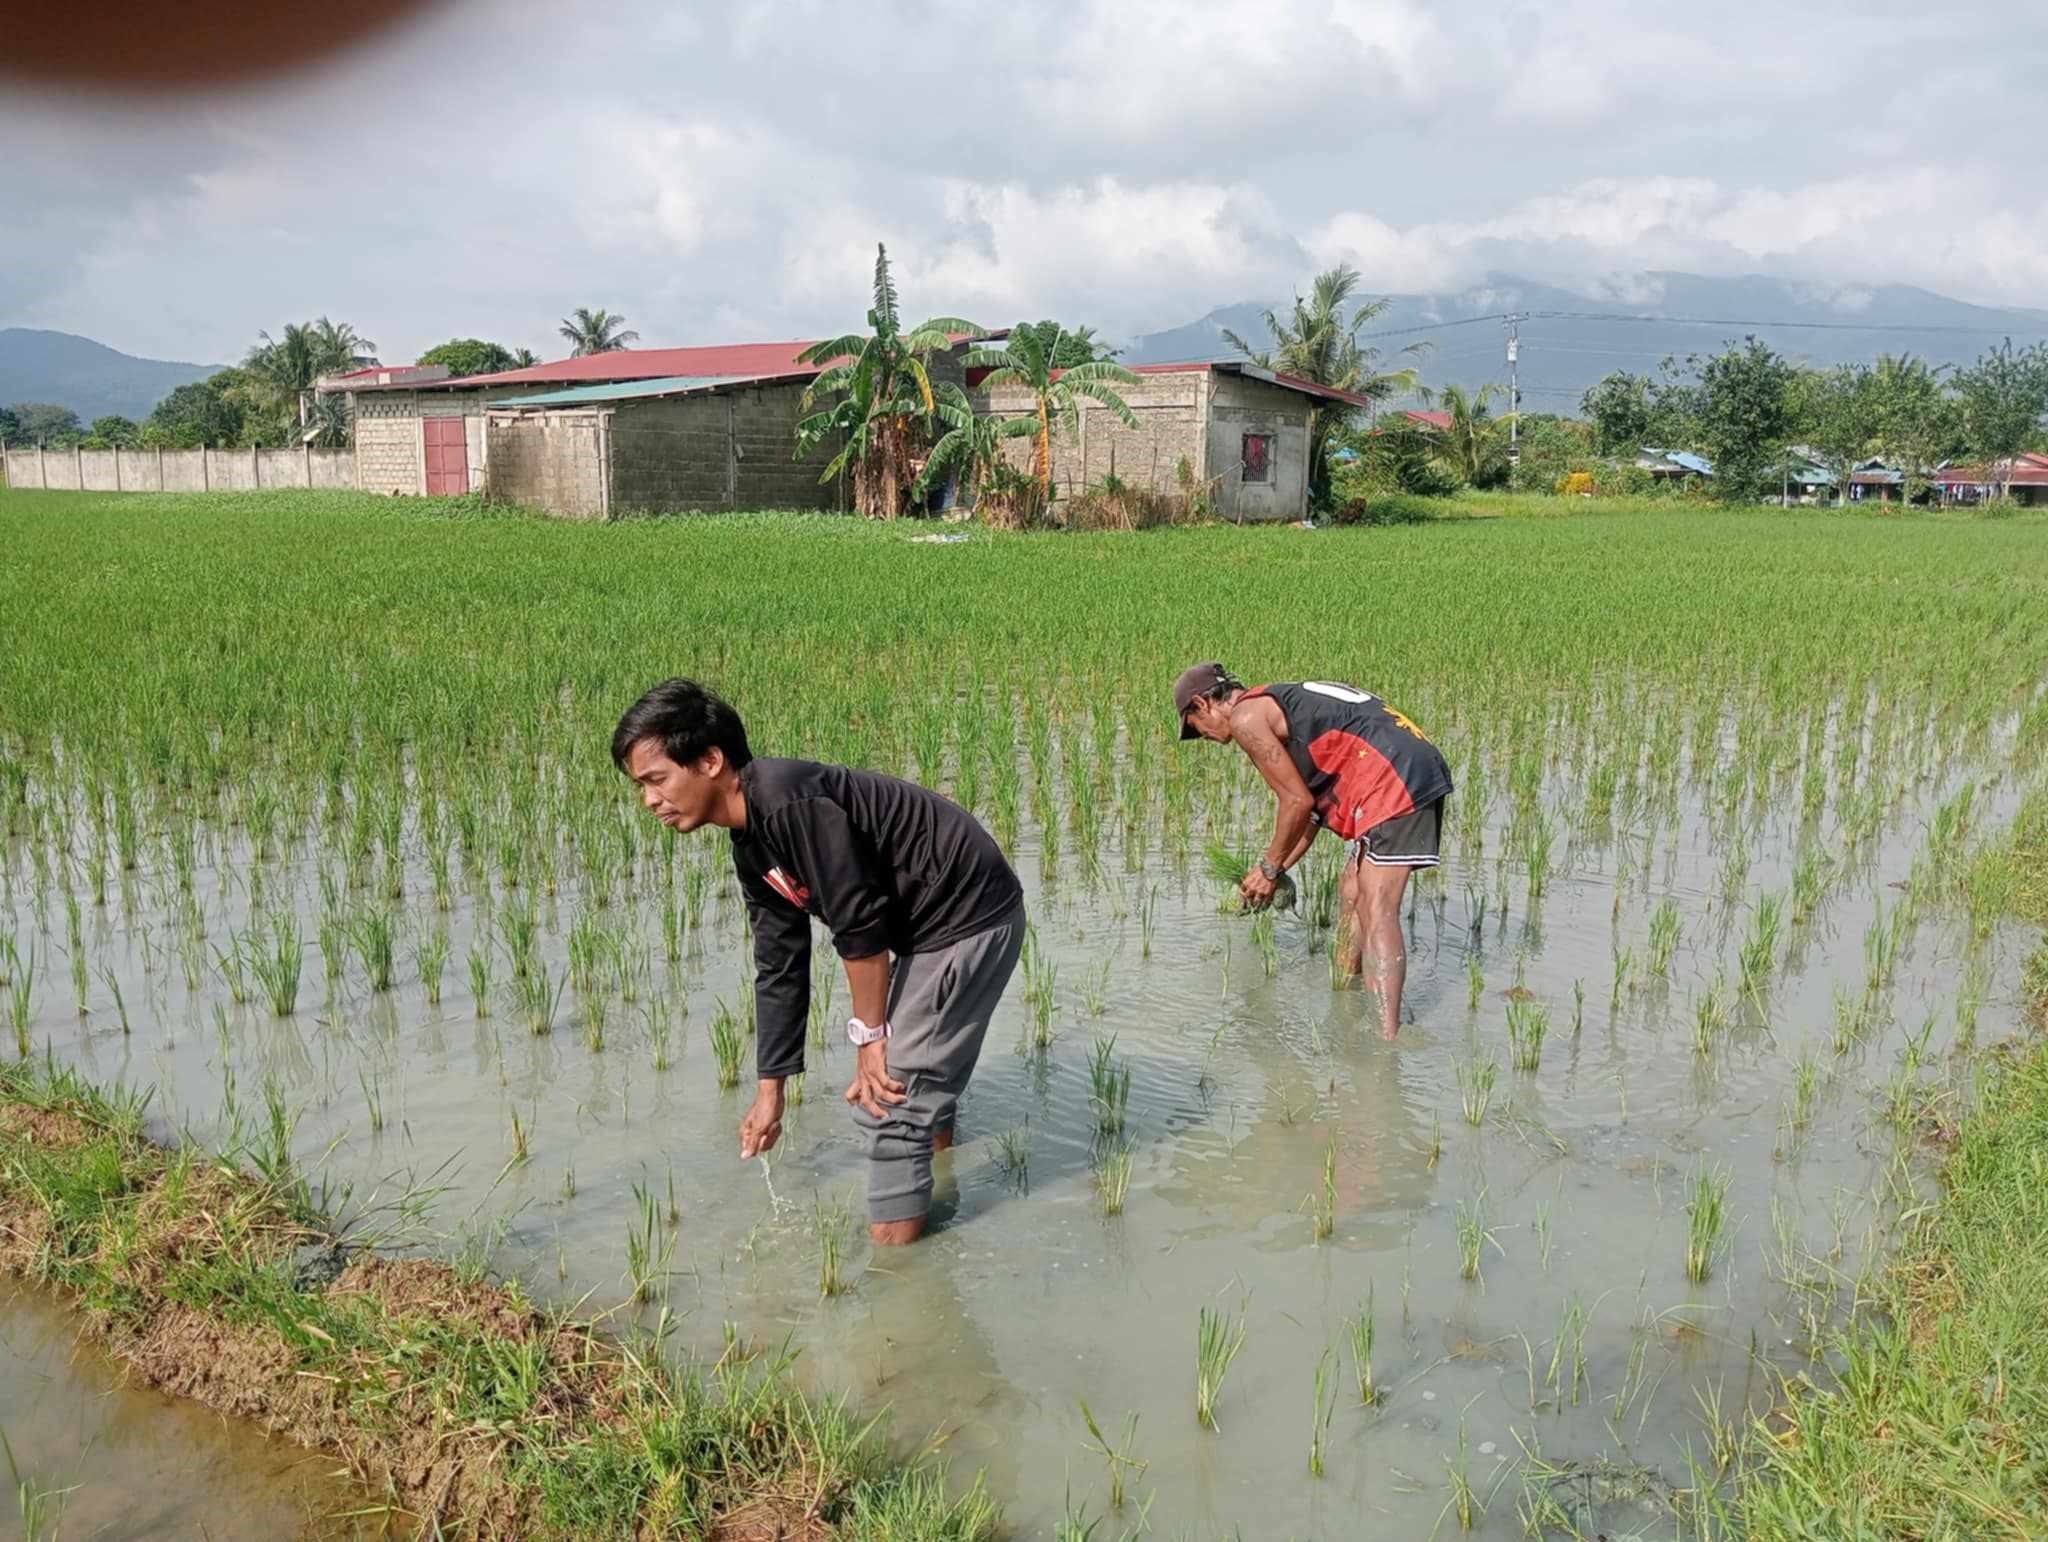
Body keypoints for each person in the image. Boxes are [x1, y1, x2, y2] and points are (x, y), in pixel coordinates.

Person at [612, 678, 1026, 1245]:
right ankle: (928, 1189)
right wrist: (770, 1090)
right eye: (641, 787)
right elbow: (779, 962)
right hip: (928, 928)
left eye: (657, 780)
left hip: (967, 916)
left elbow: (860, 922)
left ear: (709, 760)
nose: (650, 801)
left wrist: (871, 1038)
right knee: (908, 1091)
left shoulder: (788, 798)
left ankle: (896, 1286)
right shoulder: (752, 842)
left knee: (888, 1103)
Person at [1174, 664, 1452, 1040]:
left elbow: (1295, 801)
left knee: (1377, 906)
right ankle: (1345, 997)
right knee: (1352, 890)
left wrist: (1269, 868)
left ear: (1201, 703)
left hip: (1392, 775)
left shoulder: (1246, 718)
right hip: (1403, 761)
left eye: (1195, 728)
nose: (1203, 738)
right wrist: (1271, 873)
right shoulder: (1278, 707)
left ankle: (1388, 1040)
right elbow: (1309, 816)